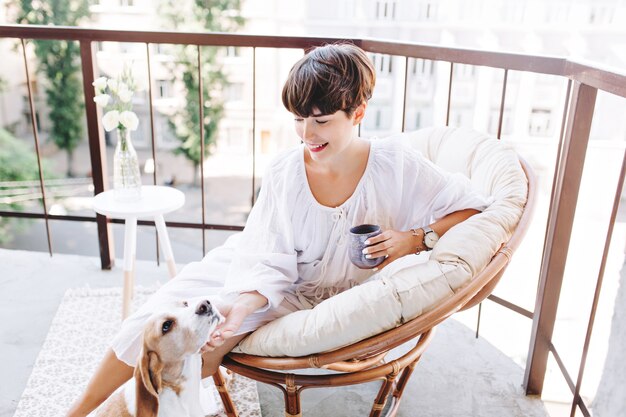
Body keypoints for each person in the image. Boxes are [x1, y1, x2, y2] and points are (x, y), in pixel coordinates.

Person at [66, 43, 491, 416]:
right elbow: (266, 256)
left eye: (322, 120)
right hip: (258, 269)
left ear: (357, 113)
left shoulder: (397, 165)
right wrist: (243, 303)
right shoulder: (286, 171)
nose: (307, 133)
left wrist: (414, 239)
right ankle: (75, 414)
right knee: (148, 322)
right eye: (298, 118)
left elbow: (474, 206)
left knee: (203, 351)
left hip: (318, 295)